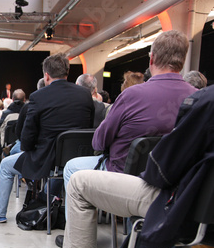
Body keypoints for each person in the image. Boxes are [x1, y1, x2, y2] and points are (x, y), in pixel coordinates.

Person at [53, 84, 214, 248]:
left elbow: (166, 168)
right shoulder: (193, 92)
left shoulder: (204, 101)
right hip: (205, 220)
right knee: (186, 196)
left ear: (152, 60)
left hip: (180, 208)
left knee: (78, 182)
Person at [63, 30, 196, 190]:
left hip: (125, 179)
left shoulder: (132, 95)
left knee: (71, 167)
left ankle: (99, 213)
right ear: (182, 60)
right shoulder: (197, 97)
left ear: (152, 59)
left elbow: (99, 142)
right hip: (175, 183)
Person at [0, 53, 94, 223]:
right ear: (67, 72)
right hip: (77, 159)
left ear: (46, 75)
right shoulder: (85, 95)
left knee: (5, 165)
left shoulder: (38, 97)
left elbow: (27, 138)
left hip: (46, 160)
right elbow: (89, 127)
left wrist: (29, 148)